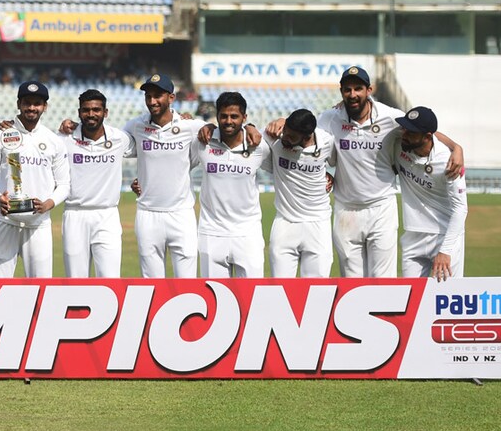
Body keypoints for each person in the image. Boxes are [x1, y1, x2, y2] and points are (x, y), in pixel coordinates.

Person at [263, 66, 463, 277]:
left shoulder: (389, 116)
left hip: (381, 207)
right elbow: (305, 131)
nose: (353, 94)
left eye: (358, 88)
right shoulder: (330, 118)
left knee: (383, 280)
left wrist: (456, 147)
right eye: (347, 89)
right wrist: (285, 121)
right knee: (352, 281)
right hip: (346, 209)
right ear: (341, 91)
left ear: (369, 90)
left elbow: (421, 129)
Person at [0, 81, 69, 278]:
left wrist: (48, 204)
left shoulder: (54, 141)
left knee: (41, 288)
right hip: (4, 221)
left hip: (38, 224)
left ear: (45, 106)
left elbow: (64, 184)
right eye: (27, 102)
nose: (31, 108)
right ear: (19, 103)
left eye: (37, 103)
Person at [124, 74, 209, 278]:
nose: (152, 101)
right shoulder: (135, 126)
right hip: (148, 213)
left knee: (187, 283)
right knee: (152, 284)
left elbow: (218, 130)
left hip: (181, 214)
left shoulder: (190, 126)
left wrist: (249, 127)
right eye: (148, 96)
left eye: (158, 96)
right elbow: (109, 142)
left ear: (171, 98)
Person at [381, 107, 467, 280]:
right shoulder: (401, 142)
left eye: (411, 132)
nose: (404, 133)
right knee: (412, 300)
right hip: (413, 236)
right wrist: (457, 146)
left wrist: (445, 250)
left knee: (446, 300)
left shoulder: (448, 162)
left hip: (444, 236)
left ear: (427, 137)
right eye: (405, 128)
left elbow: (461, 209)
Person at [190, 92, 271, 278]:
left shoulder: (257, 146)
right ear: (217, 116)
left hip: (247, 233)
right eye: (223, 116)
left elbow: (284, 166)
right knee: (214, 298)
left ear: (244, 117)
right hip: (212, 233)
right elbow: (178, 163)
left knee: (250, 298)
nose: (228, 121)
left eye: (234, 116)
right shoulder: (203, 141)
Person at [59, 89, 135, 278]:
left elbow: (151, 151)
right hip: (75, 214)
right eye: (86, 110)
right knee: (76, 282)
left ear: (105, 112)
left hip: (107, 215)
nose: (91, 114)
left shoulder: (120, 138)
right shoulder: (64, 139)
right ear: (79, 113)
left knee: (110, 280)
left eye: (96, 110)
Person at [263, 109, 336, 277]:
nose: (285, 139)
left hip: (318, 224)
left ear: (307, 136)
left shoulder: (327, 142)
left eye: (291, 137)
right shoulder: (275, 137)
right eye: (285, 133)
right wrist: (278, 121)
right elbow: (249, 133)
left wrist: (332, 176)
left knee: (316, 290)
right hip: (285, 222)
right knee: (281, 289)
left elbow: (343, 163)